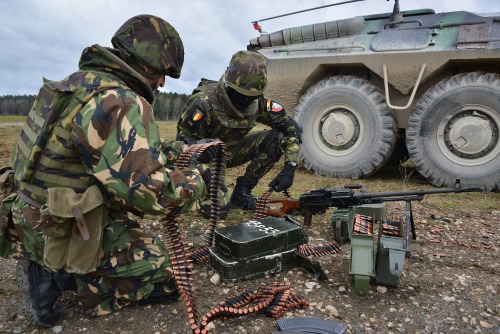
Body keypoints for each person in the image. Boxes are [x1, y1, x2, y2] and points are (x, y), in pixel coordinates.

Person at [3, 15, 212, 326]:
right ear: (146, 63)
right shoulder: (119, 99)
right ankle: (62, 277)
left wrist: (174, 152)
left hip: (25, 216)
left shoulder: (77, 84)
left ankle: (51, 264)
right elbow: (146, 193)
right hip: (57, 228)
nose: (162, 83)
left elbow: (97, 153)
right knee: (167, 273)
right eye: (162, 72)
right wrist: (197, 183)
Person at [176, 50, 301, 213]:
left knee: (276, 138)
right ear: (230, 86)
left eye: (252, 97)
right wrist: (206, 176)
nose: (247, 101)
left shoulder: (258, 103)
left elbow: (289, 128)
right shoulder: (204, 103)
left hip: (234, 151)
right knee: (218, 208)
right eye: (243, 96)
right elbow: (183, 146)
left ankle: (242, 193)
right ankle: (198, 196)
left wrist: (290, 168)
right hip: (207, 157)